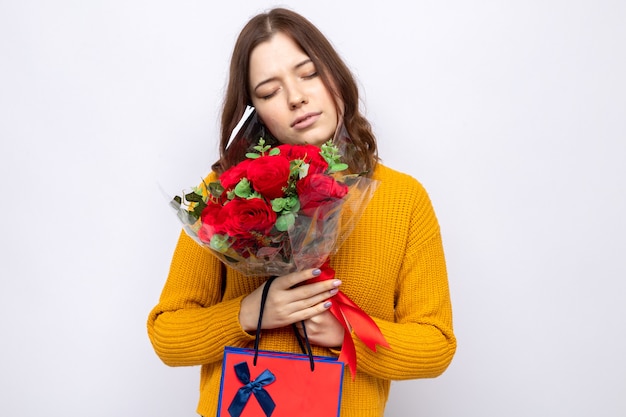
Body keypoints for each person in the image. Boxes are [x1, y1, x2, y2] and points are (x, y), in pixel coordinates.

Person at [147, 7, 456, 417]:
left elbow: (436, 344)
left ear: (336, 77)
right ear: (252, 110)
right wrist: (250, 313)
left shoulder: (403, 198)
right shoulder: (220, 194)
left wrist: (346, 334)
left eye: (308, 74)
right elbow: (167, 335)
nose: (296, 97)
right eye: (269, 91)